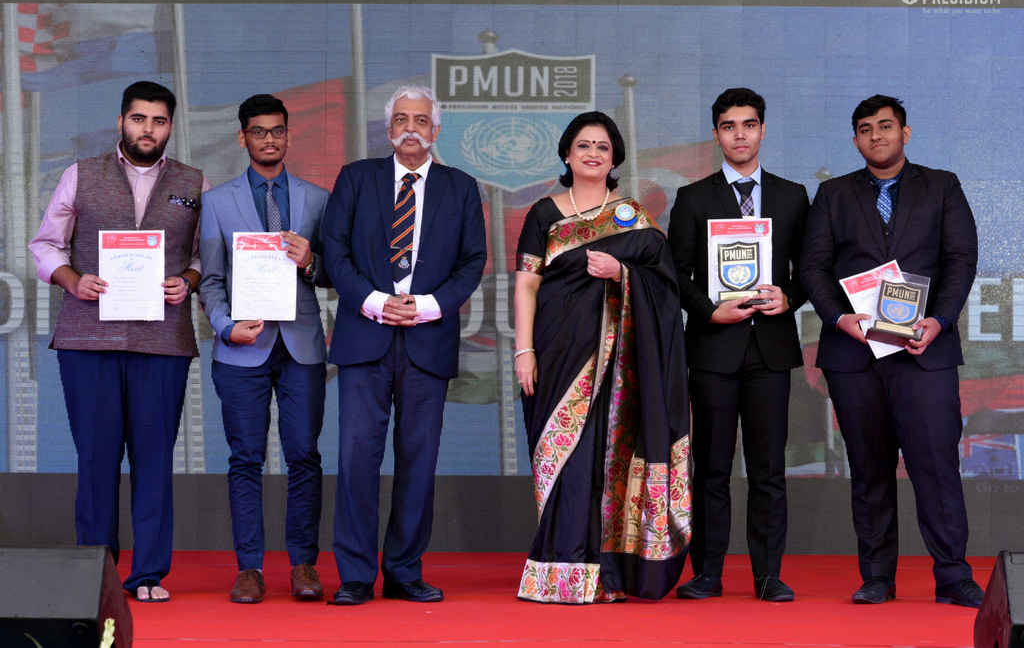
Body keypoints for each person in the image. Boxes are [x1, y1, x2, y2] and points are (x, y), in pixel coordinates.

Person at [29, 81, 210, 602]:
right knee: (96, 460)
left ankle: (148, 573)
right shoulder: (80, 174)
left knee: (154, 461)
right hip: (88, 337)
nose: (147, 129)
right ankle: (97, 575)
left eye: (158, 121)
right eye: (139, 119)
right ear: (121, 121)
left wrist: (189, 280)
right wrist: (71, 280)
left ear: (170, 127)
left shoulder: (194, 182)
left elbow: (206, 256)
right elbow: (46, 244)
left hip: (162, 339)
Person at [801, 95, 983, 607]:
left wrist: (939, 320)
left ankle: (953, 576)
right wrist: (839, 319)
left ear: (906, 132)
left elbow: (961, 258)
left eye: (885, 126)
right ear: (855, 140)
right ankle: (877, 576)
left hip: (924, 352)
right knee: (869, 469)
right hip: (854, 354)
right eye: (865, 129)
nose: (876, 135)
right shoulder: (833, 194)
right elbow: (812, 267)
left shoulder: (942, 186)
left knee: (936, 467)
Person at [513, 111, 691, 604]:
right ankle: (560, 568)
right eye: (584, 145)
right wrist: (524, 350)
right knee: (562, 458)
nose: (593, 153)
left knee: (606, 460)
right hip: (556, 353)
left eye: (603, 147)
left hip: (620, 365)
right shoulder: (544, 213)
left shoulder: (635, 217)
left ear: (615, 160)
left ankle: (608, 574)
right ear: (567, 154)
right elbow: (526, 284)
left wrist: (623, 272)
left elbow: (666, 287)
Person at [321, 86, 486, 605]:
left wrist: (428, 306)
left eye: (420, 120)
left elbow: (472, 262)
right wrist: (374, 301)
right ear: (388, 128)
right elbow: (334, 250)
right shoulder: (356, 177)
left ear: (435, 130)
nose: (410, 128)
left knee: (419, 460)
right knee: (356, 459)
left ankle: (404, 571)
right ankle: (354, 575)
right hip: (364, 336)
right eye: (400, 119)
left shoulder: (461, 187)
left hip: (427, 339)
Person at [666, 88, 809, 602]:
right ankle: (707, 572)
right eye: (729, 126)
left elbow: (810, 270)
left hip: (770, 349)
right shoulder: (693, 198)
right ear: (716, 134)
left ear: (763, 130)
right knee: (712, 469)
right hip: (713, 349)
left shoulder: (793, 196)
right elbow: (674, 274)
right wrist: (710, 310)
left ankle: (768, 574)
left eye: (749, 125)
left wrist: (789, 297)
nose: (740, 135)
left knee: (769, 470)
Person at [198, 94, 331, 603]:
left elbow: (332, 274)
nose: (269, 139)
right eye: (259, 131)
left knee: (305, 457)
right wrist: (225, 326)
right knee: (245, 459)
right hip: (242, 348)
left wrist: (311, 261)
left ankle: (303, 565)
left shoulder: (317, 199)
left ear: (288, 136)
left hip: (301, 346)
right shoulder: (217, 202)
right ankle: (249, 569)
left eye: (277, 131)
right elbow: (211, 280)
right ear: (243, 138)